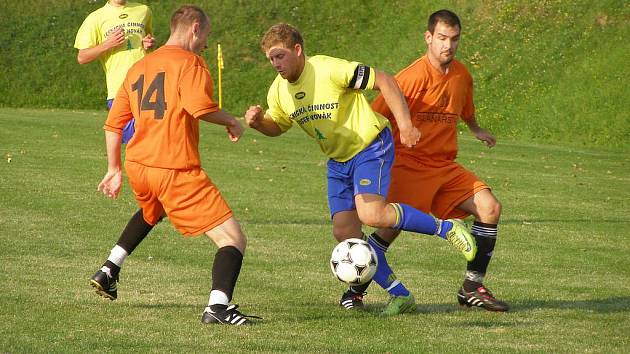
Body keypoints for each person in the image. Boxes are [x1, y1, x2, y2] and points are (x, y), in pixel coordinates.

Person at [244, 23, 477, 311]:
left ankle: (445, 228)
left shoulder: (328, 69)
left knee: (373, 213)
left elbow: (385, 81)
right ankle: (400, 295)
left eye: (280, 56)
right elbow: (277, 125)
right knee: (345, 235)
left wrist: (404, 125)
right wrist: (258, 124)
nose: (276, 64)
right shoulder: (278, 91)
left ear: (297, 50)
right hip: (338, 161)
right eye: (271, 59)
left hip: (370, 146)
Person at [90, 5, 258, 325]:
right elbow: (199, 107)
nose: (206, 43)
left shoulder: (140, 66)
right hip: (174, 168)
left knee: (153, 211)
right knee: (233, 239)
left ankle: (110, 267)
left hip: (140, 165)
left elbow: (114, 125)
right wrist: (231, 121)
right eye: (206, 35)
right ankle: (218, 307)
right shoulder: (191, 62)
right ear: (194, 28)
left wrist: (114, 169)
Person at [370, 9, 510, 313]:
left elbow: (465, 108)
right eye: (442, 38)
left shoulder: (462, 75)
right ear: (428, 38)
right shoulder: (409, 78)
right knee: (389, 227)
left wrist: (475, 129)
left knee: (490, 207)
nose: (448, 45)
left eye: (455, 39)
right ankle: (354, 289)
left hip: (444, 166)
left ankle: (472, 287)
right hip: (408, 163)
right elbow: (374, 118)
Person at [74, 0, 155, 143]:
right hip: (119, 88)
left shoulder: (143, 10)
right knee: (132, 141)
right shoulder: (96, 18)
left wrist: (148, 43)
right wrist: (107, 44)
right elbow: (82, 57)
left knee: (152, 139)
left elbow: (147, 39)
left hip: (148, 84)